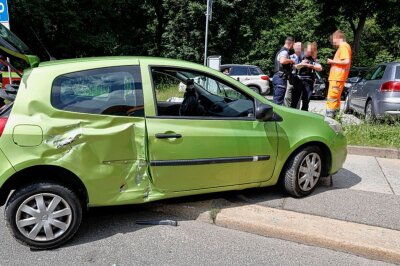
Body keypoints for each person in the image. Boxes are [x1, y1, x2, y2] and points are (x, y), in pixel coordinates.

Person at [325, 30, 352, 118]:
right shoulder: (345, 46)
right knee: (336, 98)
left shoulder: (343, 46)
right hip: (338, 77)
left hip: (337, 77)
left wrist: (332, 61)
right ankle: (335, 117)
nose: (333, 43)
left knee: (332, 97)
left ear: (338, 38)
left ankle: (329, 118)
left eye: (333, 40)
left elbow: (346, 61)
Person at [296, 42, 322, 111]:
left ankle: (304, 114)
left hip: (309, 81)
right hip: (299, 80)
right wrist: (302, 64)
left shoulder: (313, 59)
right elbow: (295, 67)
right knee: (296, 99)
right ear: (305, 49)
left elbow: (320, 68)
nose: (310, 51)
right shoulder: (299, 57)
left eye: (311, 50)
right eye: (309, 50)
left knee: (306, 100)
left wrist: (311, 66)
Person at [272, 37, 296, 105]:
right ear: (291, 43)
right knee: (278, 102)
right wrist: (291, 60)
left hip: (277, 77)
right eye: (293, 44)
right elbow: (283, 61)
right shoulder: (284, 51)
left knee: (276, 100)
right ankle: (276, 116)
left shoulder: (280, 51)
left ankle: (274, 115)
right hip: (281, 78)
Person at [284, 42, 303, 108]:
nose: (298, 49)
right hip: (291, 79)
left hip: (300, 80)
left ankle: (296, 112)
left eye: (300, 47)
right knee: (287, 96)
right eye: (297, 47)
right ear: (294, 48)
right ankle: (287, 109)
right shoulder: (290, 57)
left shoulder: (304, 58)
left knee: (297, 98)